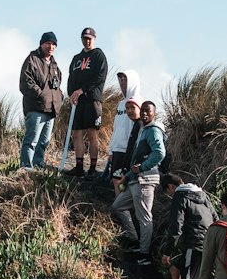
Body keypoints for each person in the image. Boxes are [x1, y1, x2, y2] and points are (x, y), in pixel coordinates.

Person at [112, 101, 165, 268]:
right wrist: (127, 177)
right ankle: (135, 241)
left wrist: (142, 168)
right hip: (136, 180)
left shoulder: (153, 130)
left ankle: (144, 254)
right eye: (142, 110)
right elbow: (137, 161)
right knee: (118, 206)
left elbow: (159, 153)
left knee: (144, 217)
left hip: (145, 180)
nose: (144, 114)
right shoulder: (144, 130)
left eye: (148, 111)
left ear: (154, 113)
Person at [162, 172, 217, 279]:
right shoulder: (202, 194)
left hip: (194, 245)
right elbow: (215, 216)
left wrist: (167, 252)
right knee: (175, 271)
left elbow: (176, 227)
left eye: (168, 192)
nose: (170, 195)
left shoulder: (180, 196)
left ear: (171, 187)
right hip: (207, 242)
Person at [66, 26, 108, 178]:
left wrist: (82, 90)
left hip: (92, 99)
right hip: (77, 101)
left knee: (92, 133)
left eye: (89, 38)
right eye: (84, 38)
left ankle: (93, 167)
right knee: (77, 133)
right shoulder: (76, 58)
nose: (87, 41)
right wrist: (71, 94)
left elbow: (100, 77)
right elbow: (71, 77)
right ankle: (78, 167)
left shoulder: (98, 55)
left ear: (94, 39)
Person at [18, 31, 63, 169]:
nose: (51, 46)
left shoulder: (55, 65)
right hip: (36, 108)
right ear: (42, 44)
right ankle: (26, 167)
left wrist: (59, 99)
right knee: (31, 140)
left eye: (53, 44)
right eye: (48, 43)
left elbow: (57, 85)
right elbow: (25, 82)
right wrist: (41, 94)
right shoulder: (32, 59)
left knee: (44, 142)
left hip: (51, 110)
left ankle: (38, 166)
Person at [107, 69, 141, 192]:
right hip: (117, 149)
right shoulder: (121, 104)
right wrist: (111, 149)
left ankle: (124, 208)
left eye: (125, 79)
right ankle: (117, 207)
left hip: (129, 150)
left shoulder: (139, 101)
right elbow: (116, 127)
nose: (122, 82)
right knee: (116, 180)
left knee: (125, 181)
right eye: (120, 80)